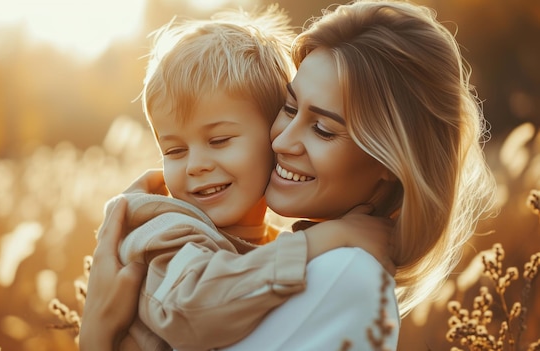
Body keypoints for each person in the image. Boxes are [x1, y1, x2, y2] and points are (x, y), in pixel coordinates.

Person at [81, 0, 497, 349]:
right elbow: (193, 309)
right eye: (291, 108)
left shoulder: (345, 275)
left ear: (389, 162)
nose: (281, 142)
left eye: (323, 128)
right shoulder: (171, 231)